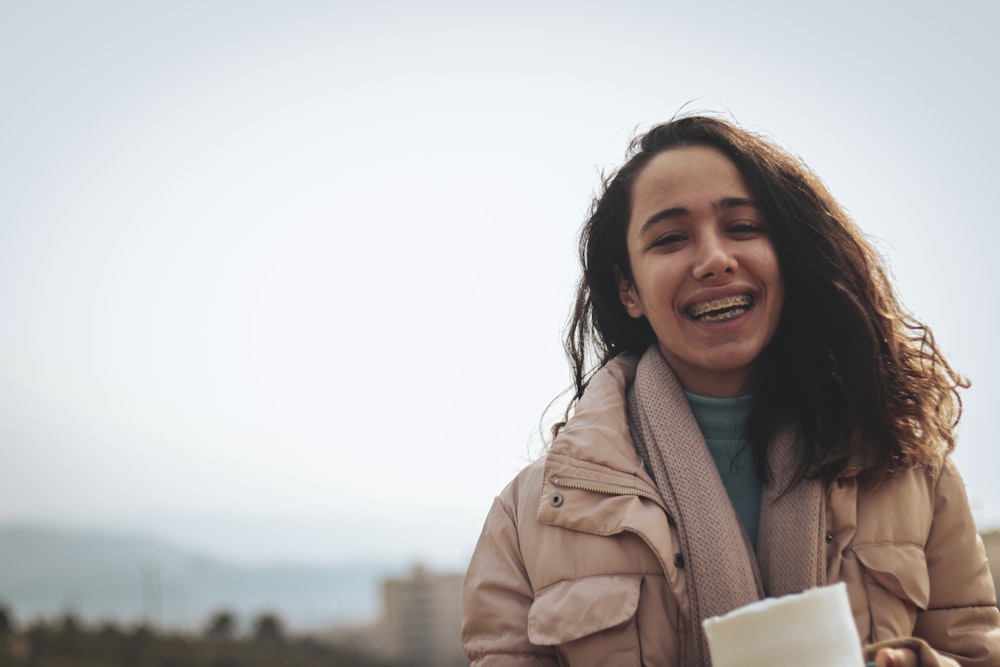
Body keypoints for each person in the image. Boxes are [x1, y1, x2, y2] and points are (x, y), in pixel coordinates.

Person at [460, 115, 1000, 667]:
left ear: (788, 256)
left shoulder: (910, 472)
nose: (715, 258)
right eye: (671, 238)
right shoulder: (531, 517)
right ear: (629, 290)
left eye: (743, 227)